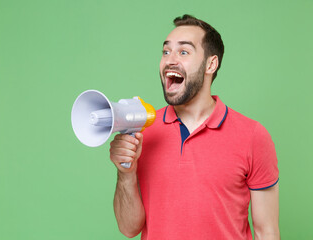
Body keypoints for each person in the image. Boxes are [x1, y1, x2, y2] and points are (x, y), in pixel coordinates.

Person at [109, 14, 280, 240]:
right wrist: (126, 174)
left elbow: (266, 231)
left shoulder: (253, 136)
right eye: (166, 51)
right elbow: (128, 228)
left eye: (183, 52)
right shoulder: (143, 131)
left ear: (211, 64)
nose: (170, 59)